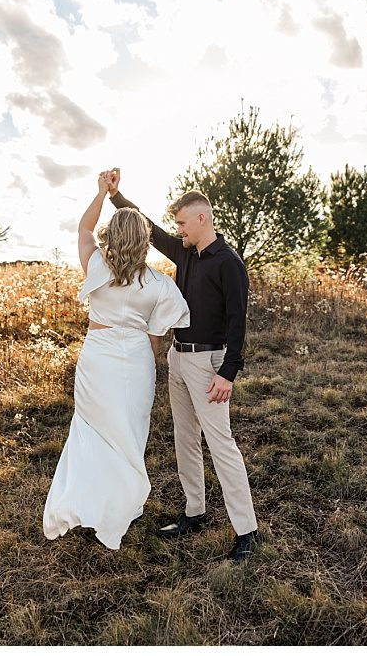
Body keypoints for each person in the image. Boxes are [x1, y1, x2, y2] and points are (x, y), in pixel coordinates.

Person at [103, 168, 260, 561]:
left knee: (221, 444)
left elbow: (239, 322)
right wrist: (116, 196)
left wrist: (228, 373)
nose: (179, 230)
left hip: (210, 364)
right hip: (178, 357)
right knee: (184, 438)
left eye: (184, 223)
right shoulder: (186, 253)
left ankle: (247, 530)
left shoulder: (229, 264)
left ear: (202, 218)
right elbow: (149, 228)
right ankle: (195, 511)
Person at [43, 174, 190, 549]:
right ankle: (118, 505)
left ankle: (88, 502)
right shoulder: (159, 284)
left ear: (112, 237)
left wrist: (101, 192)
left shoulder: (96, 267)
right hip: (136, 361)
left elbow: (83, 228)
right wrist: (142, 364)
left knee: (92, 431)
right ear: (143, 241)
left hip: (98, 358)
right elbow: (156, 338)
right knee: (128, 435)